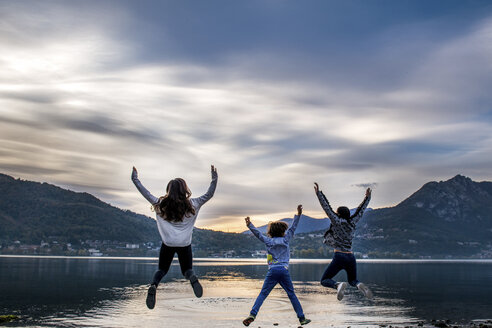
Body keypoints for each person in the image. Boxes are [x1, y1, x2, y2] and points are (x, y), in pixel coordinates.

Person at [131, 165, 218, 309]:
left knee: (162, 270)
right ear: (185, 189)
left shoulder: (160, 204)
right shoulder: (194, 204)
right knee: (187, 270)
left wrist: (135, 179)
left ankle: (154, 285)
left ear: (168, 190)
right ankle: (192, 277)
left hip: (168, 243)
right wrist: (214, 178)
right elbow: (209, 194)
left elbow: (145, 192)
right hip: (184, 244)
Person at [242, 205, 311, 326]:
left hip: (272, 271)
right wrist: (298, 215)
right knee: (291, 295)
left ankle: (253, 314)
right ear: (283, 231)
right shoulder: (286, 240)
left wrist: (250, 225)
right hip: (283, 271)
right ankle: (302, 318)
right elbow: (293, 228)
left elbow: (258, 234)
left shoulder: (268, 241)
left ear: (270, 232)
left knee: (263, 294)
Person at [314, 183, 373, 301]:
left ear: (338, 214)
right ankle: (359, 285)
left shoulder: (336, 221)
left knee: (325, 280)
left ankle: (337, 285)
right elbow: (361, 211)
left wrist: (319, 194)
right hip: (351, 257)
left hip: (339, 256)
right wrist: (367, 198)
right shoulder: (353, 222)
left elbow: (327, 208)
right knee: (353, 280)